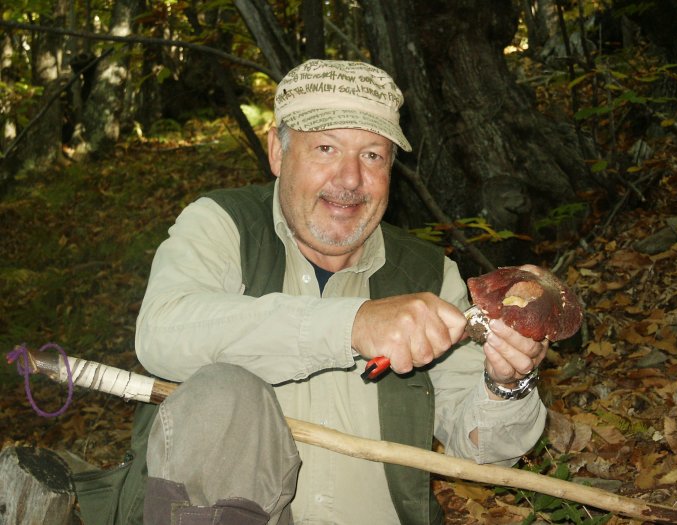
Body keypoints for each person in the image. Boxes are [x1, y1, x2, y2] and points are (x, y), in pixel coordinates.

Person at [133, 59, 548, 525]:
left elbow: (487, 453)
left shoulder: (428, 275)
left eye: (372, 155)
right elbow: (162, 333)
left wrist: (506, 383)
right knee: (223, 390)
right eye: (326, 148)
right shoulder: (223, 224)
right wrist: (355, 324)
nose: (350, 179)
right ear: (277, 151)